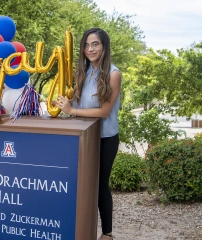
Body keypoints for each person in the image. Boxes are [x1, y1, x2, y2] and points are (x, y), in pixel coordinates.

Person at [57, 28, 121, 240]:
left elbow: (103, 111)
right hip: (83, 137)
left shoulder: (113, 74)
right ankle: (80, 228)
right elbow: (75, 102)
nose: (90, 49)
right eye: (86, 45)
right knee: (80, 182)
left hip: (105, 139)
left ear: (104, 47)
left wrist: (72, 111)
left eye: (95, 44)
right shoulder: (83, 72)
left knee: (100, 184)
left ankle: (107, 234)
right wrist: (61, 105)